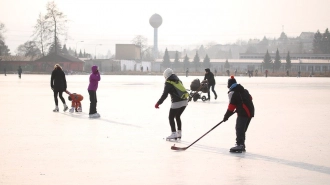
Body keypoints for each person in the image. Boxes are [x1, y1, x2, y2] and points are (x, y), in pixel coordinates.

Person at [223, 76, 255, 153]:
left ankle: (240, 144)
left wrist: (226, 116)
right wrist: (240, 105)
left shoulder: (233, 93)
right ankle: (242, 144)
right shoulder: (244, 90)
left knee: (239, 128)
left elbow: (231, 107)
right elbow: (250, 98)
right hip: (250, 111)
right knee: (242, 129)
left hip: (243, 112)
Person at [155, 68, 188, 140]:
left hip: (177, 101)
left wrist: (158, 103)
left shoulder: (168, 82)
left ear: (166, 76)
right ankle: (179, 133)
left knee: (171, 117)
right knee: (177, 116)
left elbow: (165, 95)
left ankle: (174, 133)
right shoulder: (178, 80)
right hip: (185, 101)